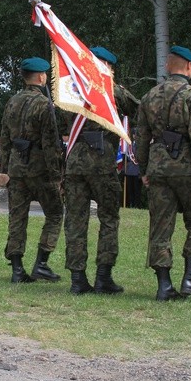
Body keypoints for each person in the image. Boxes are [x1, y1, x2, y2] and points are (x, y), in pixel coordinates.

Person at [136, 45, 191, 302]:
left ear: (167, 66)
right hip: (188, 169)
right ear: (189, 67)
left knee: (160, 227)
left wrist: (143, 169)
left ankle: (164, 286)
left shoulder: (149, 97)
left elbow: (141, 137)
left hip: (158, 169)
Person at [63, 46, 139, 295]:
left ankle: (77, 279)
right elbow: (137, 109)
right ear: (107, 67)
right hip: (101, 163)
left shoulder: (72, 88)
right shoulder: (111, 90)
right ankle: (103, 277)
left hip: (74, 163)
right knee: (108, 219)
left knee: (75, 220)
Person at [0, 57, 64, 283]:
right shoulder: (44, 104)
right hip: (39, 171)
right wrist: (57, 175)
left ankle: (17, 270)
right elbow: (50, 143)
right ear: (41, 77)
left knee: (17, 217)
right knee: (55, 213)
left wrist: (6, 168)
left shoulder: (12, 102)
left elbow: (5, 139)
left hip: (17, 169)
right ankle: (42, 263)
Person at [123, 132, 142, 208]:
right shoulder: (128, 145)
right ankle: (131, 204)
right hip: (129, 170)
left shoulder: (141, 145)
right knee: (130, 189)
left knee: (137, 189)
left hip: (138, 170)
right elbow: (126, 157)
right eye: (134, 134)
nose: (135, 136)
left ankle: (137, 205)